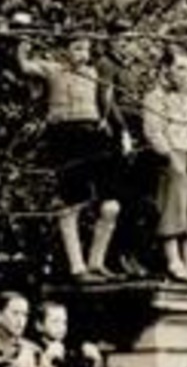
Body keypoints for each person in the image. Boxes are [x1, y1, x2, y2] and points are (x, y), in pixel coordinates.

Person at [15, 33, 122, 280]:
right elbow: (24, 64)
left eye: (86, 49)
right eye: (77, 48)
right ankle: (78, 267)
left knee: (111, 206)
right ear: (65, 50)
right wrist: (23, 40)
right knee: (70, 204)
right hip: (65, 137)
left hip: (94, 136)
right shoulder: (52, 69)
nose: (82, 54)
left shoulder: (94, 73)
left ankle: (97, 262)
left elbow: (108, 101)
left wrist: (112, 126)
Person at [141, 46, 187, 282]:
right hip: (174, 152)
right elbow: (153, 130)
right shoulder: (155, 97)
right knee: (175, 202)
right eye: (180, 68)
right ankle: (174, 259)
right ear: (166, 70)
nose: (186, 74)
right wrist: (168, 153)